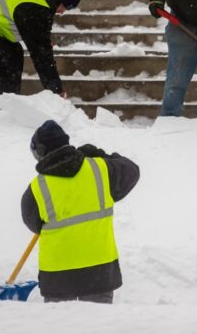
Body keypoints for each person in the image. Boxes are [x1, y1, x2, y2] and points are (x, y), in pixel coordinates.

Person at [21, 120, 140, 304]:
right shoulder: (100, 169)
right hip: (99, 272)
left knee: (61, 326)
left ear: (42, 153)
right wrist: (101, 155)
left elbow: (33, 224)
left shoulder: (37, 189)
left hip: (57, 277)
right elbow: (132, 170)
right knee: (99, 327)